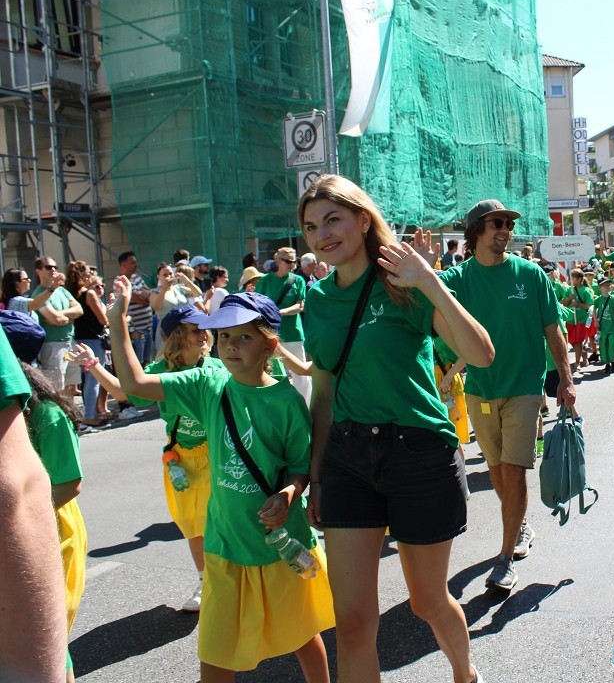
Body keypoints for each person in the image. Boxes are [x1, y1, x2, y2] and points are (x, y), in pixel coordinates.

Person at [300, 176, 493, 682]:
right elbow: (321, 397)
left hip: (419, 454)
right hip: (347, 459)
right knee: (353, 622)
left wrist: (430, 280)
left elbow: (481, 354)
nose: (322, 234)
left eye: (333, 219)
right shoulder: (317, 301)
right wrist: (314, 476)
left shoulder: (404, 282)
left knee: (427, 602)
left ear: (363, 220)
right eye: (311, 226)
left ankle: (464, 673)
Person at [108, 283, 334, 683]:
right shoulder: (206, 385)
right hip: (225, 545)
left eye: (244, 336)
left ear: (269, 345)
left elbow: (301, 467)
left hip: (280, 545)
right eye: (224, 335)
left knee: (301, 636)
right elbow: (135, 383)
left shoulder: (286, 402)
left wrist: (289, 492)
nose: (230, 345)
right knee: (215, 652)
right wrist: (116, 320)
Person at [439, 197, 573, 596]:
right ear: (476, 231)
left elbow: (554, 332)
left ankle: (504, 557)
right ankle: (519, 524)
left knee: (513, 470)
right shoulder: (458, 279)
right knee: (496, 470)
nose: (505, 230)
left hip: (524, 389)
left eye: (507, 224)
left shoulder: (531, 275)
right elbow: (423, 300)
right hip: (480, 389)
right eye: (496, 223)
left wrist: (564, 380)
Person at [75, 304, 220, 612]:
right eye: (196, 329)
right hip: (182, 460)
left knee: (220, 523)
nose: (204, 334)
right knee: (193, 526)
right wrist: (93, 365)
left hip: (217, 455)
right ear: (178, 336)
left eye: (205, 327)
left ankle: (230, 581)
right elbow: (123, 390)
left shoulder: (218, 368)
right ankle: (205, 581)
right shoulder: (159, 372)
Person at [0, 321, 69, 682]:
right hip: (32, 532)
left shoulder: (51, 415)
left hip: (50, 529)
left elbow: (62, 484)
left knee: (58, 632)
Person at [256, 247, 310, 402]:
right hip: (271, 334)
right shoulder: (265, 280)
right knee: (273, 372)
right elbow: (258, 304)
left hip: (293, 333)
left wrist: (280, 312)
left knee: (301, 374)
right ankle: (276, 405)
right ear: (278, 261)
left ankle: (306, 407)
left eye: (294, 261)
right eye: (288, 261)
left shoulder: (298, 280)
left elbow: (300, 306)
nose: (292, 264)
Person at [31, 256, 83, 397]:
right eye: (48, 267)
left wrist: (61, 314)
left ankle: (72, 418)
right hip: (52, 345)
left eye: (55, 267)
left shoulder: (63, 291)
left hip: (70, 342)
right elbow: (56, 320)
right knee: (56, 389)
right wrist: (66, 317)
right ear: (38, 271)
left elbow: (79, 310)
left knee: (71, 388)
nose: (53, 269)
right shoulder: (38, 294)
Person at [67, 261, 108, 427]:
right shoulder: (89, 294)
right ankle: (90, 415)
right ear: (84, 275)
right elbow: (103, 319)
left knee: (83, 380)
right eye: (88, 272)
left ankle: (90, 412)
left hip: (76, 339)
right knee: (94, 379)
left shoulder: (69, 293)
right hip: (93, 339)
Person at [118, 251, 155, 367]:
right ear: (124, 265)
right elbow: (139, 299)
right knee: (139, 361)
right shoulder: (120, 282)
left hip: (148, 326)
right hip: (136, 329)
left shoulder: (137, 278)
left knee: (148, 359)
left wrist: (146, 295)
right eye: (132, 263)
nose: (136, 265)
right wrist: (144, 296)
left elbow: (150, 293)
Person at [561, 268, 594, 371]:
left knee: (578, 341)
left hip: (581, 319)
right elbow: (563, 304)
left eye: (573, 278)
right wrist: (569, 299)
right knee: (572, 341)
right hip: (570, 319)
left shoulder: (586, 290)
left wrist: (578, 304)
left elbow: (590, 305)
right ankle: (583, 354)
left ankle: (577, 363)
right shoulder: (569, 290)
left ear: (579, 279)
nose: (571, 280)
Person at [592, 277, 614, 374]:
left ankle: (613, 363)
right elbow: (593, 309)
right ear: (600, 287)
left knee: (612, 345)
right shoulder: (598, 300)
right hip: (603, 327)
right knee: (603, 346)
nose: (607, 287)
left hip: (613, 327)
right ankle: (607, 364)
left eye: (608, 285)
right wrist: (595, 320)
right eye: (605, 285)